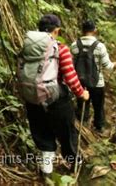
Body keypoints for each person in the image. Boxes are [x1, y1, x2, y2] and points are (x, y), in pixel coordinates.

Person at [24, 14, 90, 176]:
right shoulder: (60, 49)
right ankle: (75, 165)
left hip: (32, 98)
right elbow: (70, 76)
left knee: (42, 133)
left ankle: (46, 172)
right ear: (57, 30)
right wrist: (82, 94)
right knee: (67, 133)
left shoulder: (27, 47)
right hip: (56, 99)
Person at [71, 20, 116, 133]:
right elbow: (107, 65)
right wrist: (115, 65)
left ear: (82, 30)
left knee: (82, 103)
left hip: (80, 81)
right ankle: (99, 127)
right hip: (97, 82)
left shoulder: (74, 45)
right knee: (98, 105)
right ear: (94, 30)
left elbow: (72, 64)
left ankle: (83, 124)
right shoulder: (100, 46)